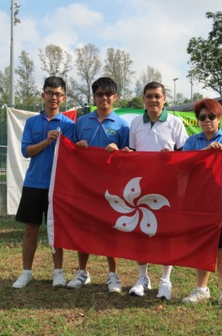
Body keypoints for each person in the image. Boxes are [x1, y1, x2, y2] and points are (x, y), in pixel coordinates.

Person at [123, 81, 188, 300]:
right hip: (142, 187)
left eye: (157, 96)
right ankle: (143, 278)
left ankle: (165, 280)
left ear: (165, 98)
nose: (153, 100)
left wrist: (172, 159)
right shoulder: (135, 123)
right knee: (141, 232)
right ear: (143, 99)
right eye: (149, 96)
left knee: (165, 233)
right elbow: (132, 152)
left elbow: (184, 156)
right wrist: (125, 152)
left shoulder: (175, 122)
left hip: (168, 189)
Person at [181, 98, 222, 311]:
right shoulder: (192, 142)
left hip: (220, 209)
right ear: (197, 120)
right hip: (199, 209)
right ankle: (201, 289)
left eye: (211, 117)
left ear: (219, 119)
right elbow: (184, 170)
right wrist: (205, 154)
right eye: (202, 117)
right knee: (202, 250)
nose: (207, 121)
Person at [67, 77, 130, 293]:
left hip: (111, 187)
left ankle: (113, 275)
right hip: (85, 186)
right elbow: (71, 152)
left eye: (107, 94)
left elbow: (130, 157)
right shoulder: (82, 122)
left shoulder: (123, 126)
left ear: (115, 97)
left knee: (110, 229)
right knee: (84, 227)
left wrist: (119, 151)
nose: (104, 98)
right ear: (93, 97)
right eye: (99, 94)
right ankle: (82, 272)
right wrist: (79, 146)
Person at [12, 76, 75, 289]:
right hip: (33, 184)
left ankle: (58, 272)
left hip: (58, 186)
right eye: (50, 93)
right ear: (43, 95)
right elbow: (26, 151)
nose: (53, 97)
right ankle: (26, 272)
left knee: (55, 231)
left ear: (63, 98)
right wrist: (47, 141)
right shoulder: (32, 123)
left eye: (58, 94)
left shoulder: (69, 125)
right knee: (31, 229)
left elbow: (75, 155)